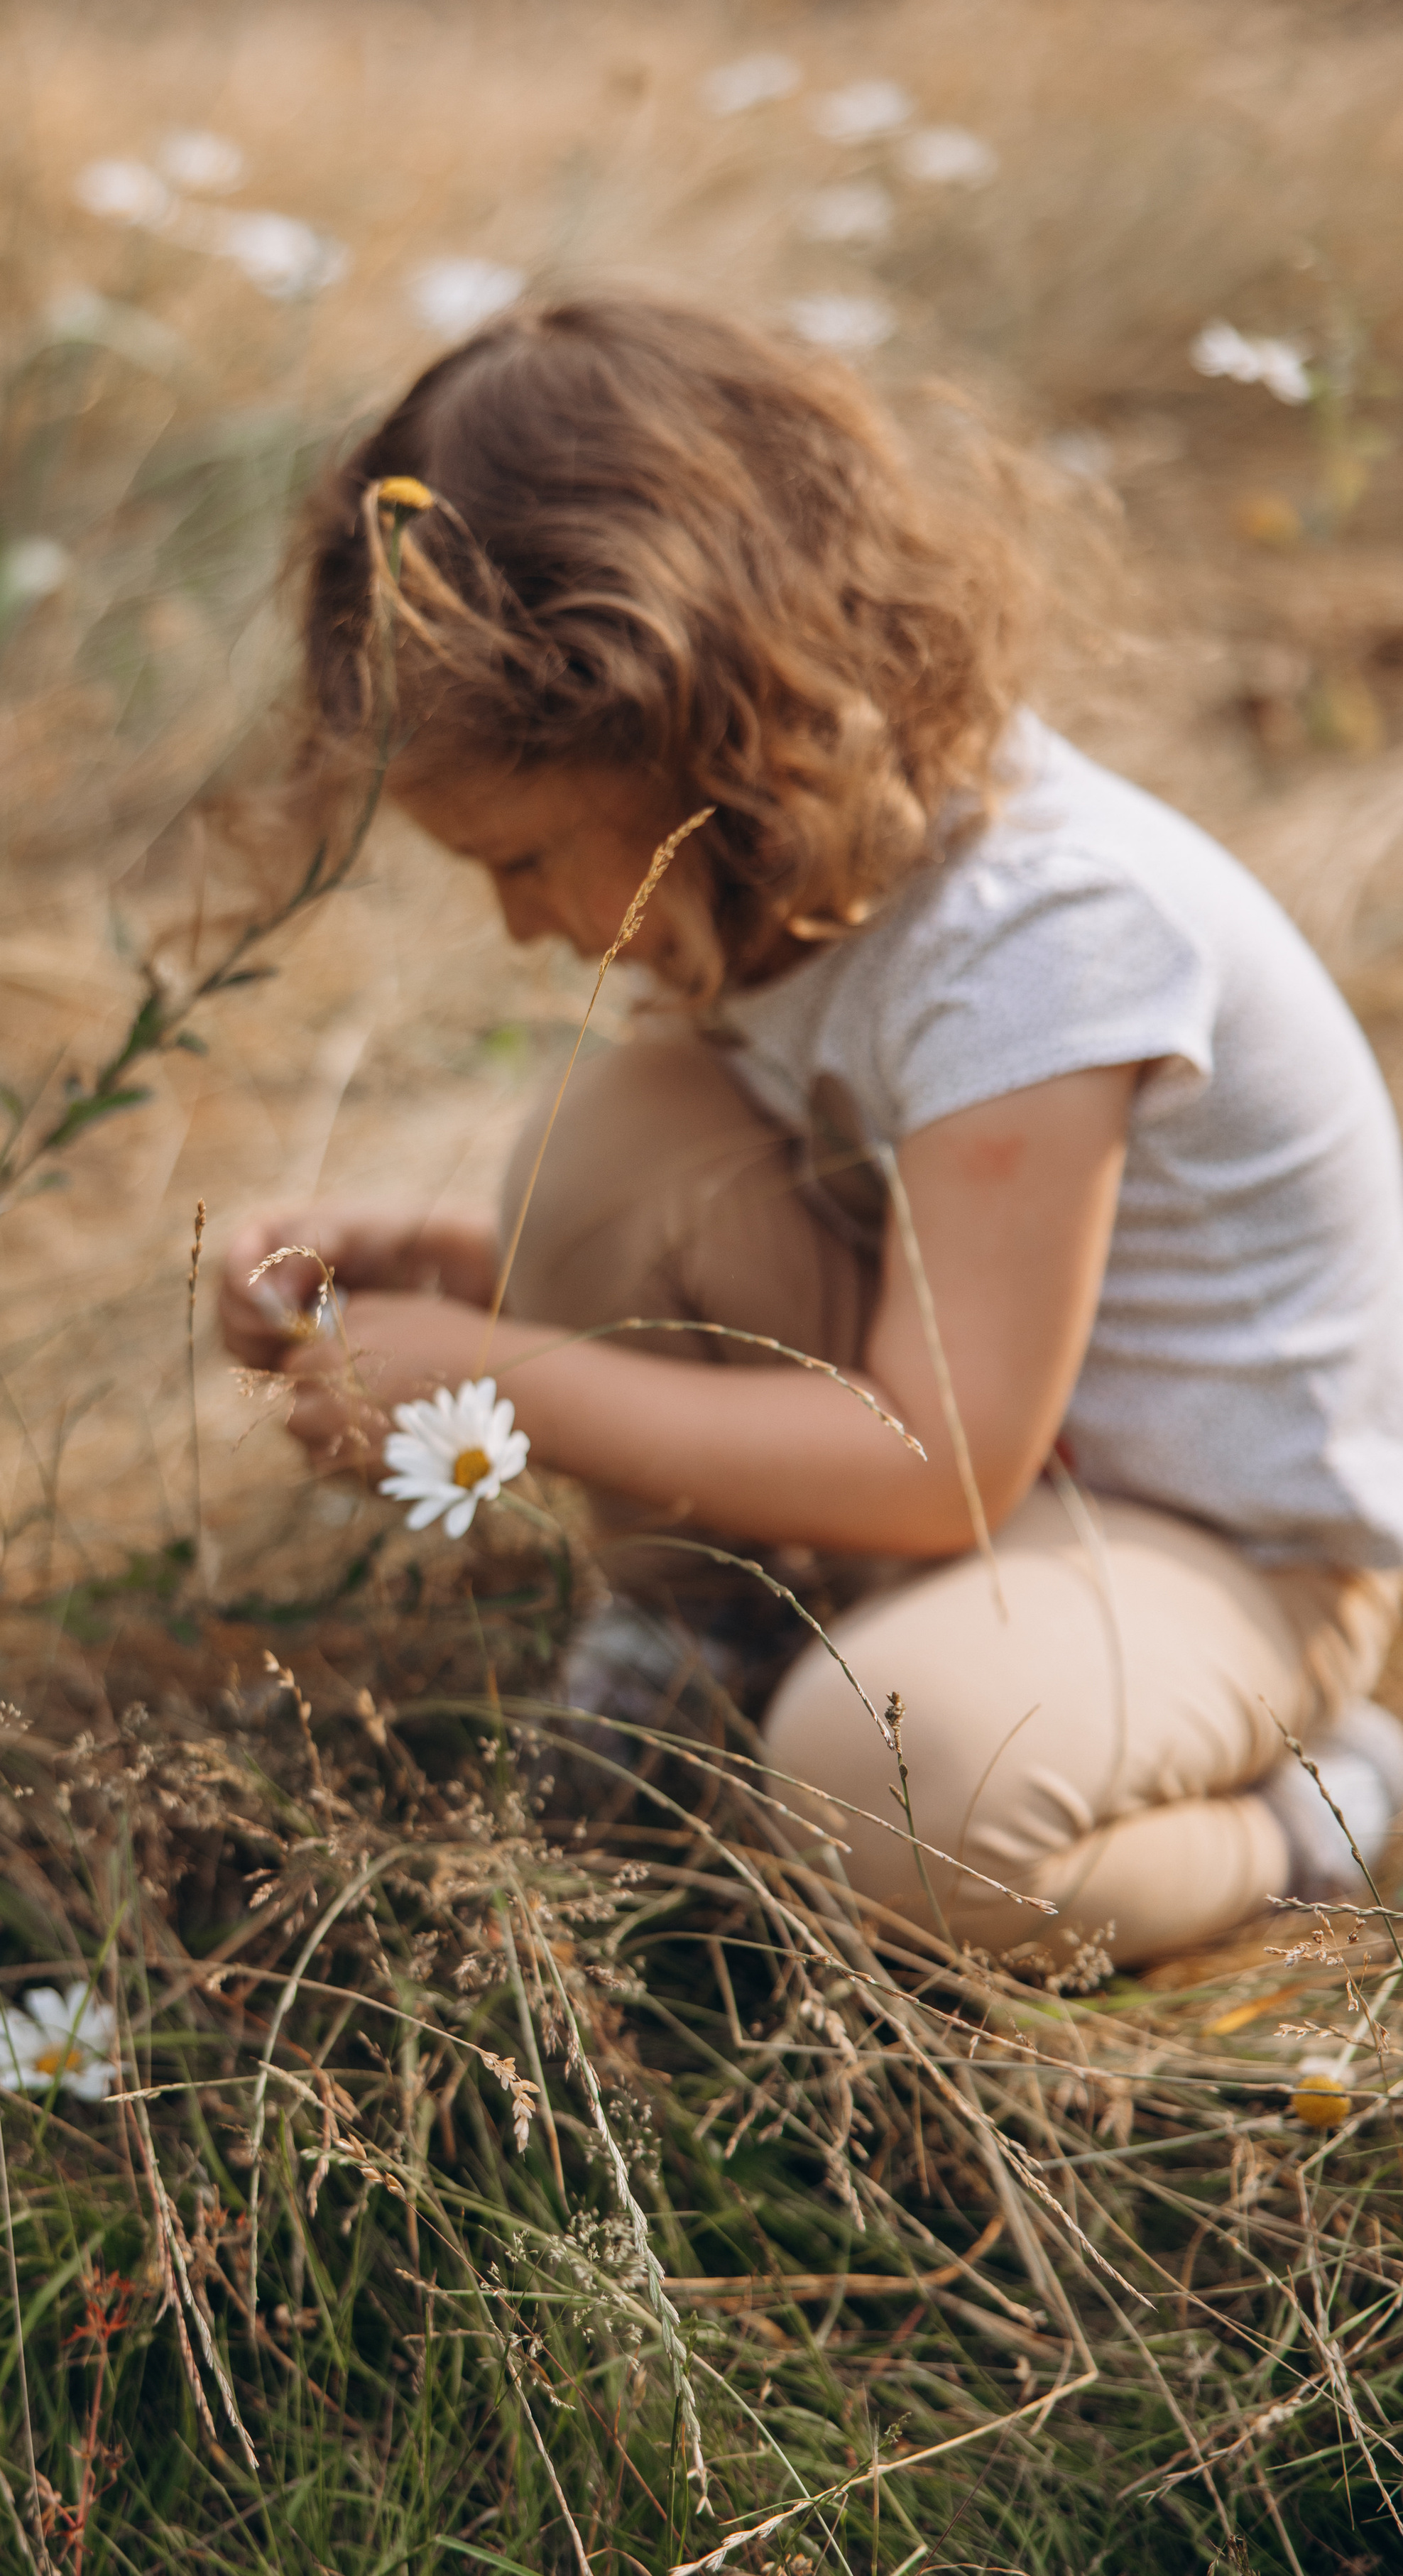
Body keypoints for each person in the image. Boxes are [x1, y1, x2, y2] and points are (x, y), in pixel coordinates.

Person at [218, 293, 1403, 1974]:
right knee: (621, 1126)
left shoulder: (1039, 938)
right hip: (1000, 1470)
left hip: (1224, 1553)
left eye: (525, 857)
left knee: (888, 1794)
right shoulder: (784, 884)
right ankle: (697, 1644)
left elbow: (944, 1453)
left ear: (700, 740)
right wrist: (446, 1268)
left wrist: (501, 1374)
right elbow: (901, 1264)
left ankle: (1321, 1808)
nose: (517, 926)